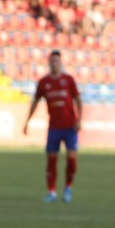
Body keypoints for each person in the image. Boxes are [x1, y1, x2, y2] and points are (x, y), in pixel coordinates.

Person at [23, 50, 81, 203]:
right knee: (51, 159)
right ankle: (52, 192)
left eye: (57, 61)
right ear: (49, 62)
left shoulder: (68, 80)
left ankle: (68, 188)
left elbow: (78, 100)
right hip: (54, 127)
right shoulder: (43, 83)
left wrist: (79, 119)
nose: (54, 63)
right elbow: (35, 102)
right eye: (52, 60)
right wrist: (27, 122)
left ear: (61, 63)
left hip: (70, 127)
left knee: (72, 158)